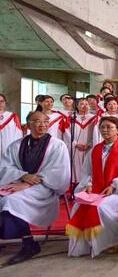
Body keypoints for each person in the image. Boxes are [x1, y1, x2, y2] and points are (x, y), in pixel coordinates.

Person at [0, 111, 70, 265]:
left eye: (46, 121)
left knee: (11, 201)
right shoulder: (17, 145)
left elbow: (58, 172)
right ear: (28, 124)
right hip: (18, 182)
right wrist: (22, 176)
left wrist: (28, 182)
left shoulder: (57, 145)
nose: (43, 125)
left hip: (45, 187)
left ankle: (29, 243)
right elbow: (4, 166)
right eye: (37, 121)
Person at [67, 117, 118, 257]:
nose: (105, 130)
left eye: (109, 127)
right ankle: (86, 242)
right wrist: (88, 184)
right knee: (79, 205)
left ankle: (116, 239)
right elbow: (87, 172)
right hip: (95, 190)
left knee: (100, 206)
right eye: (102, 127)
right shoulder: (95, 150)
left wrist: (114, 185)